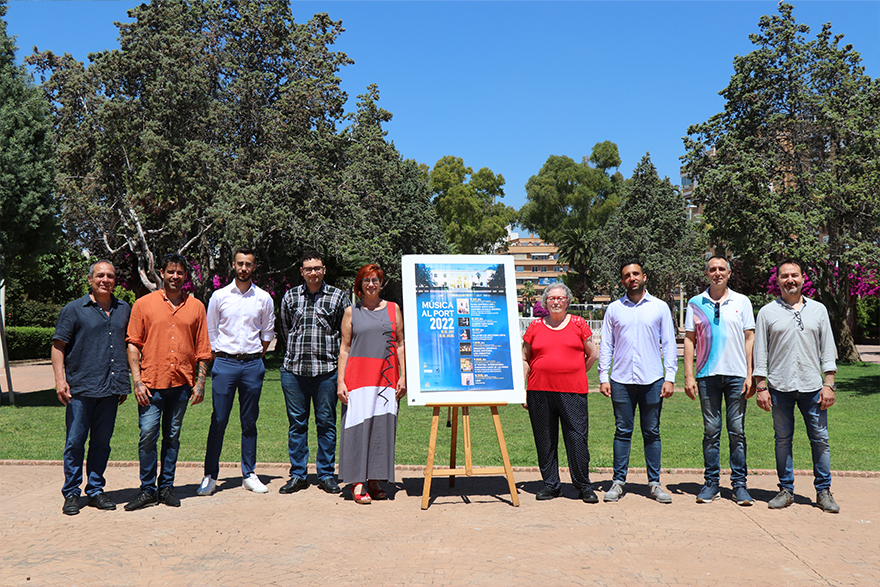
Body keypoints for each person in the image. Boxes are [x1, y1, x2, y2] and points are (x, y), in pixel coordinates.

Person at [125, 254, 212, 511]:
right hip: (151, 384)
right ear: (161, 272)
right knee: (147, 436)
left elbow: (203, 349)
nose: (175, 276)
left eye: (180, 272)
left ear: (186, 276)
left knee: (172, 437)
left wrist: (200, 383)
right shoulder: (143, 304)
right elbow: (133, 344)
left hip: (182, 384)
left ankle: (167, 487)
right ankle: (147, 489)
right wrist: (137, 382)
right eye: (171, 271)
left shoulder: (196, 307)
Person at [754, 260, 839, 513]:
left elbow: (828, 349)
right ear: (777, 280)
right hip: (780, 387)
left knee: (820, 440)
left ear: (803, 278)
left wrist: (829, 384)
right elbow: (760, 353)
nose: (790, 280)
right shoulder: (767, 312)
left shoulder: (819, 310)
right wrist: (761, 387)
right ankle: (786, 490)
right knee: (782, 440)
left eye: (794, 275)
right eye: (784, 276)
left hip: (813, 387)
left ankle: (823, 491)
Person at [52, 260, 131, 515]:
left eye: (110, 276)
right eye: (100, 276)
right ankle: (72, 493)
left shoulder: (123, 309)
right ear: (90, 280)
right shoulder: (74, 310)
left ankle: (95, 490)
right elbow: (58, 346)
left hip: (110, 389)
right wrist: (59, 380)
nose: (105, 280)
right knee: (75, 442)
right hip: (81, 388)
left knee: (101, 443)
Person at [197, 248, 275, 497]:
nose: (244, 268)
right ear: (233, 265)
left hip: (252, 365)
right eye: (240, 263)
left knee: (249, 421)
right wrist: (224, 357)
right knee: (218, 420)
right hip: (225, 364)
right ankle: (210, 475)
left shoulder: (263, 298)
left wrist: (253, 357)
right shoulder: (219, 297)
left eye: (248, 264)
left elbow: (267, 335)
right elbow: (211, 333)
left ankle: (249, 474)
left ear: (254, 267)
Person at [598, 261, 677, 503]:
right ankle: (618, 482)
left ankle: (654, 483)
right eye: (626, 275)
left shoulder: (660, 307)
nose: (632, 278)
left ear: (644, 276)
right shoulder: (613, 309)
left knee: (652, 432)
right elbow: (606, 345)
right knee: (622, 431)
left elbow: (669, 343)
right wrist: (603, 376)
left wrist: (670, 377)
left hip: (652, 379)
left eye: (635, 274)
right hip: (621, 379)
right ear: (622, 281)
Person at [683, 255, 756, 506]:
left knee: (737, 431)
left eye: (721, 269)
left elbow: (750, 338)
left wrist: (750, 374)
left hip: (736, 375)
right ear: (707, 274)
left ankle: (739, 485)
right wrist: (689, 375)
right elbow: (690, 340)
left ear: (729, 272)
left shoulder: (742, 302)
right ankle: (711, 483)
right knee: (711, 431)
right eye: (712, 269)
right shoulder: (695, 303)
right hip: (706, 376)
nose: (717, 273)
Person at [278, 250, 351, 495]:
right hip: (294, 371)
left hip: (327, 372)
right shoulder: (290, 297)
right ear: (302, 271)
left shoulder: (339, 297)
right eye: (308, 269)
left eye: (317, 268)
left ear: (324, 269)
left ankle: (326, 474)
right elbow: (286, 330)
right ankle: (298, 474)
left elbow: (346, 336)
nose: (313, 273)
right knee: (297, 424)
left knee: (326, 424)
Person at [522, 283, 600, 503]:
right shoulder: (535, 326)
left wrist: (576, 371)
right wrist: (523, 388)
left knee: (576, 438)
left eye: (560, 298)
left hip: (572, 392)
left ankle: (583, 485)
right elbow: (525, 358)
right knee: (545, 438)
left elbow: (592, 354)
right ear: (545, 302)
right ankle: (551, 485)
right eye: (551, 298)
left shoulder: (578, 323)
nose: (556, 301)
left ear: (567, 301)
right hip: (539, 390)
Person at [336, 264, 406, 504]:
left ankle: (375, 479)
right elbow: (344, 348)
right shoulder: (351, 312)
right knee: (356, 428)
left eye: (375, 280)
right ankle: (357, 481)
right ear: (360, 285)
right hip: (358, 379)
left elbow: (400, 344)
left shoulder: (393, 309)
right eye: (366, 280)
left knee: (381, 427)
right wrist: (340, 382)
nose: (371, 284)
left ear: (381, 283)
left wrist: (403, 376)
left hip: (386, 378)